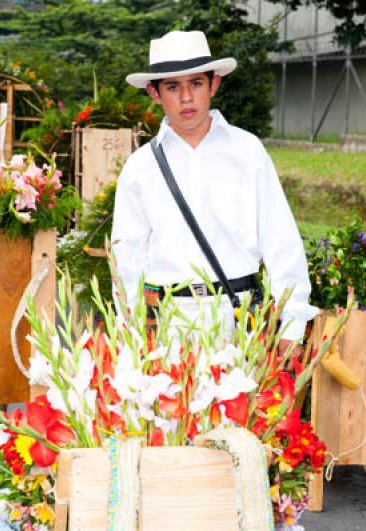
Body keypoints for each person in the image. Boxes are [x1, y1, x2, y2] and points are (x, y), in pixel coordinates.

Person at [111, 30, 317, 358]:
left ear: (214, 84)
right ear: (154, 93)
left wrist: (292, 324)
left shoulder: (247, 151)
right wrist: (130, 333)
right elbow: (127, 260)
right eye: (173, 87)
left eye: (195, 83)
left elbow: (281, 241)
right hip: (168, 325)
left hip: (239, 316)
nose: (186, 98)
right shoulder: (140, 168)